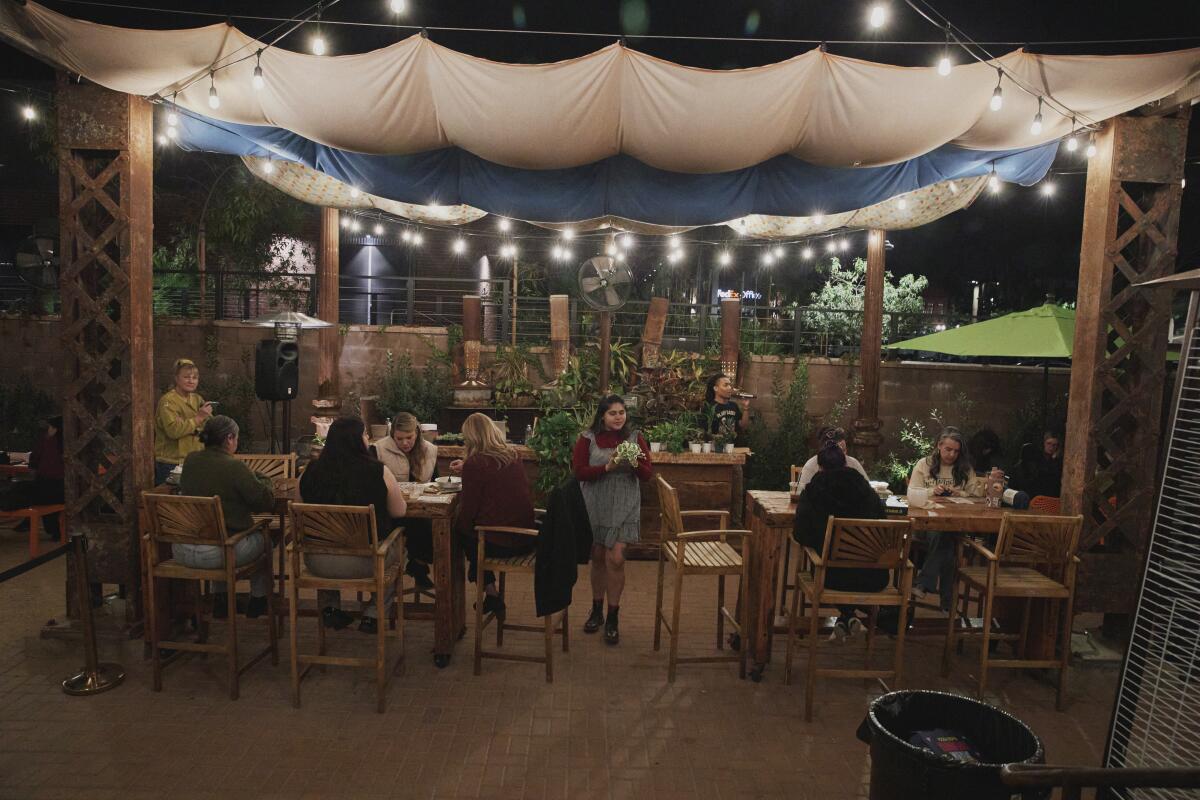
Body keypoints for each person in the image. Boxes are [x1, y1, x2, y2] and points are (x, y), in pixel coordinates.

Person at [299, 416, 408, 634]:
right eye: (365, 434)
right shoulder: (378, 471)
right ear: (359, 440)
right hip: (365, 562)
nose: (368, 438)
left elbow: (301, 510)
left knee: (325, 536)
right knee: (396, 547)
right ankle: (373, 614)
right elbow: (399, 511)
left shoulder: (310, 471)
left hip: (318, 561)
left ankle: (330, 608)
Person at [573, 394, 654, 645]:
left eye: (621, 412)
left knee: (616, 558)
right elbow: (579, 472)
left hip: (625, 503)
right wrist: (606, 467)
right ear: (602, 416)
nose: (619, 417)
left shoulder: (635, 438)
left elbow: (647, 474)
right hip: (595, 503)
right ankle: (596, 610)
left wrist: (634, 462)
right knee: (597, 556)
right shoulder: (587, 439)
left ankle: (613, 616)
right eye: (613, 413)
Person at [176, 415, 275, 619]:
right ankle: (259, 599)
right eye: (236, 438)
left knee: (217, 530)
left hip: (182, 549)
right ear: (230, 438)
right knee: (266, 539)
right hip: (220, 554)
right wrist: (263, 479)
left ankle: (221, 599)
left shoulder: (191, 461)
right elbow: (265, 502)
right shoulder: (234, 467)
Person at [794, 440, 888, 641]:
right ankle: (848, 617)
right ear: (846, 464)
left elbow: (801, 534)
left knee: (826, 564)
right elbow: (883, 524)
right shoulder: (867, 492)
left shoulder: (813, 492)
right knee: (848, 568)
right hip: (874, 576)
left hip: (831, 578)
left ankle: (847, 616)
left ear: (819, 467)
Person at [452, 412, 536, 624]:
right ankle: (489, 593)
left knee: (459, 534)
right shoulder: (513, 454)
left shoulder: (475, 464)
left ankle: (478, 591)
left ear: (471, 437)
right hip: (527, 538)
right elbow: (495, 478)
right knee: (470, 536)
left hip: (502, 542)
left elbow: (469, 510)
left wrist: (458, 527)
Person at [908, 427, 998, 611]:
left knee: (945, 537)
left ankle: (924, 584)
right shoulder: (924, 464)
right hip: (925, 525)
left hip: (954, 524)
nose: (952, 454)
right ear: (939, 446)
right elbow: (911, 493)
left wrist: (960, 492)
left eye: (956, 451)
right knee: (945, 540)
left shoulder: (964, 468)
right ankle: (947, 603)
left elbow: (976, 496)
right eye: (948, 449)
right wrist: (932, 491)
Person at [372, 412, 438, 589]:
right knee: (422, 526)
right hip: (391, 511)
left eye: (409, 438)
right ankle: (418, 565)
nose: (404, 443)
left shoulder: (430, 450)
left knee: (437, 528)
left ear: (417, 433)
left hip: (422, 509)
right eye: (399, 439)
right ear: (392, 434)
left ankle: (417, 564)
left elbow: (435, 481)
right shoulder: (379, 449)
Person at [154, 358, 213, 485]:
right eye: (186, 377)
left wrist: (188, 425)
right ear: (176, 378)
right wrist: (198, 418)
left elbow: (210, 428)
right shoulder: (168, 401)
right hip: (171, 463)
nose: (191, 381)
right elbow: (174, 431)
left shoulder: (198, 399)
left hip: (194, 460)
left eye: (195, 377)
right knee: (171, 502)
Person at [796, 425, 870, 491]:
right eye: (836, 451)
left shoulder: (853, 464)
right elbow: (801, 494)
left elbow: (868, 490)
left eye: (844, 450)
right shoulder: (811, 466)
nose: (841, 455)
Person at [1009, 431, 1063, 498]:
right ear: (1043, 443)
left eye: (1054, 445)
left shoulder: (1057, 462)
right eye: (1049, 443)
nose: (1051, 447)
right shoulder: (1035, 459)